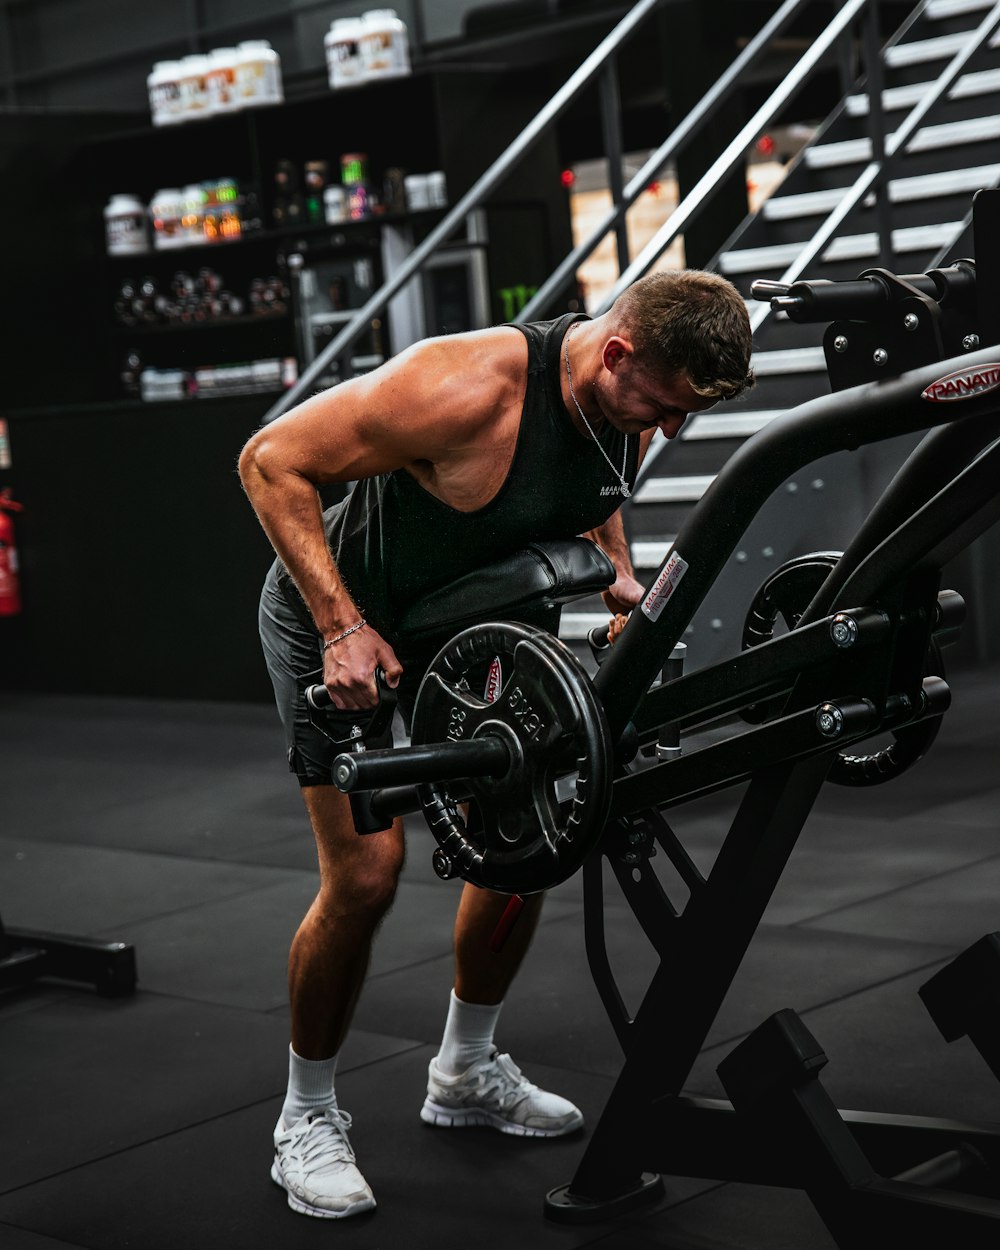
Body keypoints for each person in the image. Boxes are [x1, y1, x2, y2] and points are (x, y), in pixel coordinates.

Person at [238, 268, 754, 1220]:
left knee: (517, 842)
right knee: (365, 875)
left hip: (466, 616)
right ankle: (304, 1117)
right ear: (617, 351)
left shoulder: (624, 397)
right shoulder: (464, 384)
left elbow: (596, 471)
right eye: (664, 407)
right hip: (347, 615)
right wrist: (343, 627)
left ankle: (464, 1072)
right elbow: (270, 460)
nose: (667, 430)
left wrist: (619, 572)